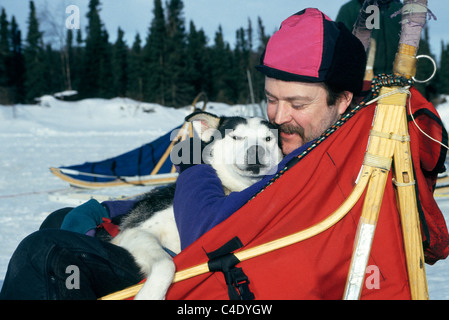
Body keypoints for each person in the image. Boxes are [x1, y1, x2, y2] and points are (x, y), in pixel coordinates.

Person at [1, 8, 447, 300]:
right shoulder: (318, 138)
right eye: (272, 98)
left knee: (46, 255)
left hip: (221, 279)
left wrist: (192, 155)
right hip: (211, 255)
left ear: (342, 101)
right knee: (61, 221)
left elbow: (209, 228)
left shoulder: (322, 159)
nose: (279, 117)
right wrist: (121, 207)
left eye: (297, 104)